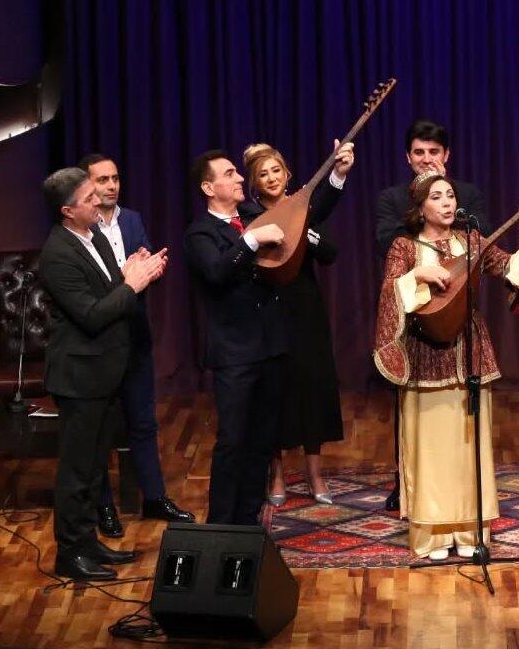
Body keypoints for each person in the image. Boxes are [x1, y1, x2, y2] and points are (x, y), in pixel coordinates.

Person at [373, 172, 519, 560]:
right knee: (429, 444)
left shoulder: (472, 240)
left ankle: (469, 530)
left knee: (468, 443)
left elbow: (514, 272)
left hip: (468, 350)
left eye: (451, 195)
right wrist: (417, 273)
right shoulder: (404, 246)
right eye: (437, 197)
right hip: (423, 352)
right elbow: (390, 291)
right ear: (420, 207)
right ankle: (433, 533)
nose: (448, 202)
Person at [184, 144, 352, 525]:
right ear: (209, 188)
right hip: (237, 353)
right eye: (229, 174)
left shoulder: (252, 216)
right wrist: (251, 242)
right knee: (233, 443)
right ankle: (222, 525)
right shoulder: (200, 233)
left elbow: (308, 214)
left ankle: (248, 520)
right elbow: (216, 272)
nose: (239, 177)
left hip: (273, 348)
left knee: (261, 439)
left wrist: (337, 175)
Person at [38, 167, 168, 580]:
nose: (99, 202)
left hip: (106, 373)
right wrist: (132, 284)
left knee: (95, 468)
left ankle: (88, 544)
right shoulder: (57, 253)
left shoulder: (92, 237)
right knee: (77, 471)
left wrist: (131, 270)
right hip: (80, 377)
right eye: (89, 199)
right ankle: (69, 553)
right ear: (67, 210)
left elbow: (108, 291)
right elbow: (93, 316)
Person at [374, 119, 492, 511]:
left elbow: (484, 244)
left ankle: (465, 498)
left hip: (459, 317)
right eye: (419, 153)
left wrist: (444, 200)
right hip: (420, 320)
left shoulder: (465, 196)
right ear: (408, 157)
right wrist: (424, 206)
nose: (427, 159)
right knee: (417, 418)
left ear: (446, 156)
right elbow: (387, 243)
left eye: (434, 152)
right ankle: (411, 487)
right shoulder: (394, 199)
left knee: (463, 418)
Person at [77, 154, 195, 537]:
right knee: (105, 430)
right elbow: (95, 288)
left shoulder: (132, 219)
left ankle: (154, 497)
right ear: (87, 185)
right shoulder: (79, 229)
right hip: (100, 342)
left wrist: (151, 268)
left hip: (135, 337)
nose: (111, 186)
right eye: (102, 180)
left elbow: (142, 268)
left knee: (144, 422)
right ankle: (104, 507)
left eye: (115, 178)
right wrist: (129, 277)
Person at [242, 143, 344, 505]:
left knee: (312, 388)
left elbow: (330, 253)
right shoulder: (248, 214)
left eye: (276, 171)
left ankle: (316, 476)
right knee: (275, 393)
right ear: (254, 183)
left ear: (287, 174)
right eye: (263, 174)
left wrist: (309, 236)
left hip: (306, 310)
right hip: (268, 311)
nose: (271, 178)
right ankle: (278, 477)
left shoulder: (304, 208)